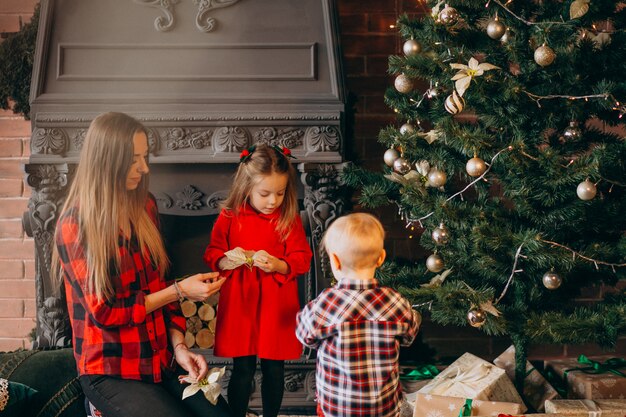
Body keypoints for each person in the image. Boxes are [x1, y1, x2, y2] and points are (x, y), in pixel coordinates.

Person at [53, 112, 230, 417]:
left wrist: (180, 348)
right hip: (110, 369)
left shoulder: (144, 205)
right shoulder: (76, 225)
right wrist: (179, 291)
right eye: (134, 158)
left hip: (160, 359)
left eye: (144, 156)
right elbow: (105, 311)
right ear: (108, 161)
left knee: (220, 413)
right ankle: (96, 406)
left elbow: (160, 280)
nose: (144, 167)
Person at [203, 143, 313, 417]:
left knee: (275, 368)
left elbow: (302, 257)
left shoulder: (287, 218)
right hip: (242, 300)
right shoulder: (230, 216)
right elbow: (212, 252)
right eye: (264, 194)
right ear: (246, 187)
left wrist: (278, 264)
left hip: (276, 302)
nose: (273, 201)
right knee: (243, 367)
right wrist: (225, 260)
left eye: (280, 192)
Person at [295, 213, 422, 417]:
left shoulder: (326, 304)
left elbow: (304, 335)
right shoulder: (396, 302)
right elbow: (410, 335)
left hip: (337, 408)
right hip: (384, 408)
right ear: (381, 258)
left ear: (335, 261)